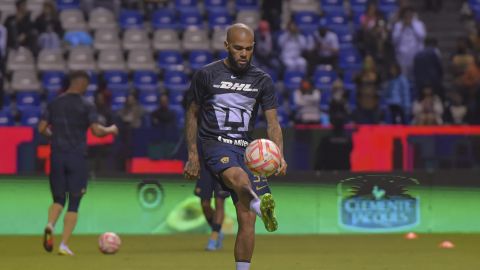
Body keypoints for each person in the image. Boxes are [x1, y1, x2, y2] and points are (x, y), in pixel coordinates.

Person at [183, 23, 287, 270]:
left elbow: (273, 123)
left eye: (248, 49)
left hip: (245, 149)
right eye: (238, 48)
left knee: (246, 220)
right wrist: (192, 155)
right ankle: (260, 207)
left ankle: (245, 260)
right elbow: (192, 114)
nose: (243, 53)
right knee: (239, 178)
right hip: (215, 144)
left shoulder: (262, 80)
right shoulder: (207, 75)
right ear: (227, 45)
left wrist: (279, 155)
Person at [38, 71, 119, 255]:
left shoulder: (55, 102)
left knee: (58, 199)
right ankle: (63, 245)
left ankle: (50, 224)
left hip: (57, 156)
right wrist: (111, 129)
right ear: (81, 83)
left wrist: (55, 136)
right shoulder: (86, 104)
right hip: (76, 157)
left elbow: (42, 128)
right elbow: (97, 131)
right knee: (74, 202)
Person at [194, 152, 230, 251]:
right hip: (205, 165)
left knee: (219, 202)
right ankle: (218, 231)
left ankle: (213, 238)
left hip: (224, 162)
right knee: (205, 204)